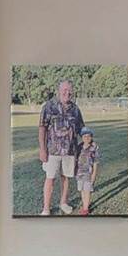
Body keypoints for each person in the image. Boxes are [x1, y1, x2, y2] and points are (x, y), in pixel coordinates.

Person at [37, 77, 84, 218]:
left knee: (66, 177)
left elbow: (81, 129)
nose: (67, 93)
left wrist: (88, 143)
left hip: (70, 151)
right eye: (64, 90)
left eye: (70, 90)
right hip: (52, 151)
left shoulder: (75, 109)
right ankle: (46, 208)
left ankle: (63, 203)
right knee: (50, 178)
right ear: (58, 90)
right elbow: (42, 128)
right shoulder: (49, 106)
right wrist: (42, 149)